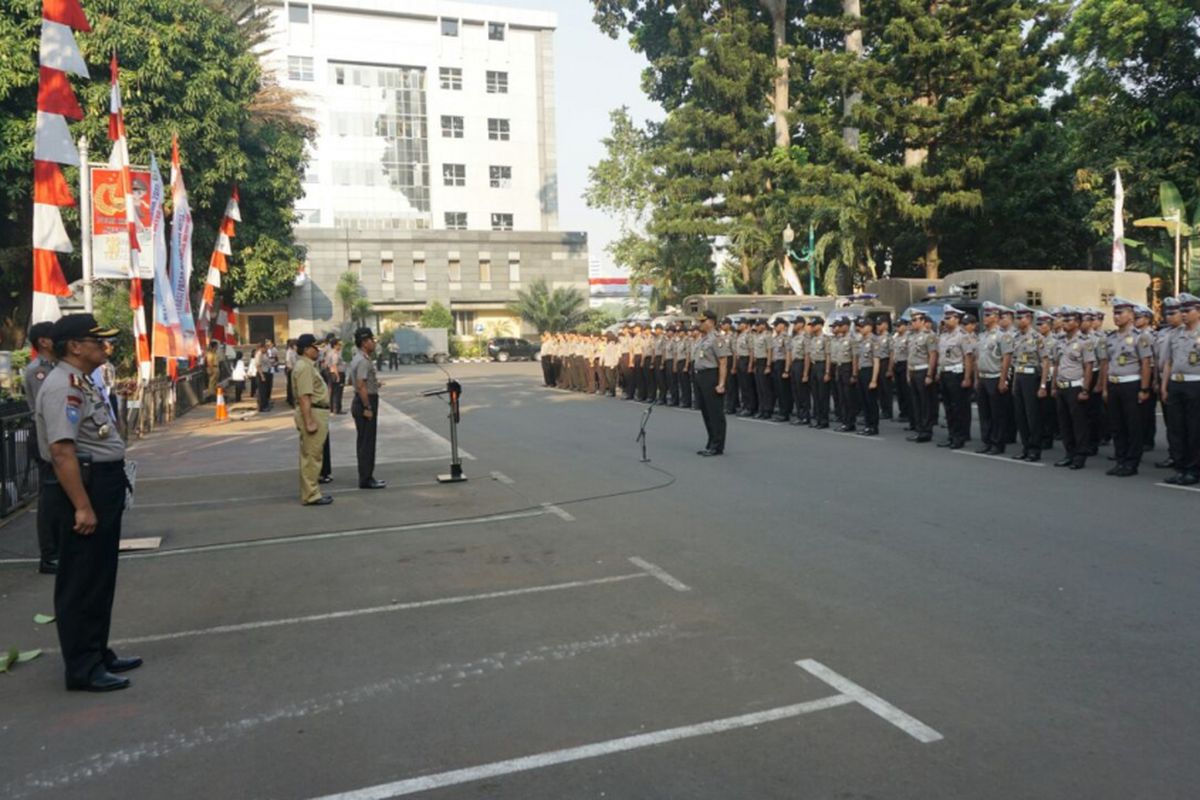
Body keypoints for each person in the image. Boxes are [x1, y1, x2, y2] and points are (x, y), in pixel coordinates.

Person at [35, 314, 141, 692]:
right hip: (84, 486)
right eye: (98, 342)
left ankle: (97, 651)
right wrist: (82, 505)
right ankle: (82, 667)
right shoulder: (63, 387)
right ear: (75, 346)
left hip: (101, 483)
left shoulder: (81, 382)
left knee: (100, 574)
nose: (105, 347)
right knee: (81, 579)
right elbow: (62, 452)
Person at [1102, 297, 1154, 477]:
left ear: (1131, 315)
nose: (1116, 317)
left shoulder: (1141, 337)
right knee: (1117, 425)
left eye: (1120, 313)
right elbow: (1107, 363)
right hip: (1114, 384)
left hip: (1131, 384)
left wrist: (1144, 389)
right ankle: (1120, 459)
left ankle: (1132, 463)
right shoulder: (1111, 337)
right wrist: (1106, 388)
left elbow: (1146, 363)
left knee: (1133, 425)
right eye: (1114, 313)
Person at [23, 321, 59, 575]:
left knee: (58, 494)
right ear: (44, 341)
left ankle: (58, 550)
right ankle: (49, 555)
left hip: (56, 433)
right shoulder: (39, 370)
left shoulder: (55, 366)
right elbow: (44, 407)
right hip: (45, 435)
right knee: (49, 497)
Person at [1160, 293, 1200, 485]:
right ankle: (1180, 467)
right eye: (1181, 311)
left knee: (1194, 429)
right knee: (1176, 429)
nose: (1183, 314)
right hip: (1176, 383)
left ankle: (1193, 470)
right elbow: (1168, 362)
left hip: (1196, 384)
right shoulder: (1175, 334)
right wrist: (1164, 386)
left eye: (1187, 310)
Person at [1049, 306, 1095, 469]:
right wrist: (1054, 386)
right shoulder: (1060, 342)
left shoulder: (1084, 342)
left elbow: (1088, 367)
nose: (1064, 323)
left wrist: (1085, 390)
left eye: (1068, 320)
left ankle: (1080, 456)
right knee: (1065, 423)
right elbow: (1056, 364)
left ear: (1077, 323)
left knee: (1078, 423)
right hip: (1061, 386)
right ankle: (1069, 453)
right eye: (1063, 320)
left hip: (1075, 387)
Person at [292, 334, 334, 505]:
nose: (319, 350)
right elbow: (304, 396)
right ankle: (311, 494)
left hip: (317, 411)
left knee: (313, 455)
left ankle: (311, 491)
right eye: (315, 347)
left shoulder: (308, 366)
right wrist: (309, 420)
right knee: (312, 456)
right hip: (313, 412)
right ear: (307, 349)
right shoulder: (304, 367)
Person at [348, 327, 386, 490]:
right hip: (365, 401)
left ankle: (366, 476)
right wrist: (368, 406)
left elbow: (354, 381)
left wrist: (374, 384)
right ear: (364, 342)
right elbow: (361, 385)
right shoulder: (363, 360)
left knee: (364, 441)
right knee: (367, 443)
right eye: (371, 340)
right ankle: (366, 478)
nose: (374, 343)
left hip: (362, 399)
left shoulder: (357, 358)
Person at [1010, 304, 1049, 462]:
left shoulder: (1038, 338)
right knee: (1020, 415)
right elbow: (1015, 362)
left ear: (1030, 319)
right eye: (1017, 317)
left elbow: (1045, 362)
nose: (1019, 320)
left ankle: (1035, 449)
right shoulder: (1016, 337)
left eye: (1022, 317)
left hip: (1032, 378)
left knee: (1032, 415)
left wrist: (1043, 385)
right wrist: (1013, 383)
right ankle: (1025, 446)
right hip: (1019, 376)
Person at [975, 301, 1015, 455]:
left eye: (988, 315)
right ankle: (987, 441)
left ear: (996, 317)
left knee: (997, 413)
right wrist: (977, 379)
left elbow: (1006, 359)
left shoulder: (1003, 336)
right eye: (984, 314)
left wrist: (1003, 380)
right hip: (984, 377)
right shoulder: (982, 336)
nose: (984, 318)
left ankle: (998, 443)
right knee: (984, 413)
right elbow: (978, 358)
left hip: (995, 376)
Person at [693, 310, 731, 456]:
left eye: (702, 321)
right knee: (706, 412)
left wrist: (721, 383)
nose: (700, 324)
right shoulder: (703, 338)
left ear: (711, 322)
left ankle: (717, 445)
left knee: (715, 412)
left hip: (711, 376)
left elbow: (723, 362)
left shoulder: (716, 338)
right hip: (701, 376)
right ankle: (711, 441)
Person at [937, 306, 972, 449]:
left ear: (956, 319)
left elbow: (968, 357)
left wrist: (967, 377)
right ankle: (951, 435)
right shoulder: (943, 335)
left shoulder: (962, 335)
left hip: (957, 373)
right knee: (948, 408)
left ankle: (959, 437)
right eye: (944, 318)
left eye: (948, 318)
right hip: (945, 373)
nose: (945, 321)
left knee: (958, 408)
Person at [906, 310, 938, 443]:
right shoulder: (913, 336)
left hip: (923, 371)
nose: (912, 323)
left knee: (925, 403)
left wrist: (930, 374)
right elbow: (910, 356)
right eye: (911, 320)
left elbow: (933, 355)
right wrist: (908, 374)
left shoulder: (929, 336)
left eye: (915, 320)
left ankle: (926, 431)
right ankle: (919, 429)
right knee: (916, 403)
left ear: (923, 321)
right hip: (913, 371)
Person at [853, 317, 881, 435]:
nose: (860, 328)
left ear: (869, 327)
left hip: (869, 371)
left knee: (871, 401)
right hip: (861, 371)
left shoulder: (874, 340)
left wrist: (874, 380)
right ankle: (867, 425)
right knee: (864, 400)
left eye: (863, 326)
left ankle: (873, 426)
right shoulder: (860, 340)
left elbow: (876, 361)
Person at [255, 341, 272, 412]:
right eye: (265, 348)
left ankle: (265, 404)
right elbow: (258, 366)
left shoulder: (264, 354)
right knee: (262, 391)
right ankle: (262, 407)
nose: (266, 349)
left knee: (265, 390)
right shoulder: (259, 354)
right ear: (261, 348)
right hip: (262, 373)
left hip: (266, 373)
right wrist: (262, 376)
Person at [285, 340, 298, 408]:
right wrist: (292, 369)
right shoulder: (289, 352)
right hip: (291, 370)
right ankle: (292, 401)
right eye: (295, 345)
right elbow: (288, 362)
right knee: (291, 386)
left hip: (295, 370)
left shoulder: (294, 352)